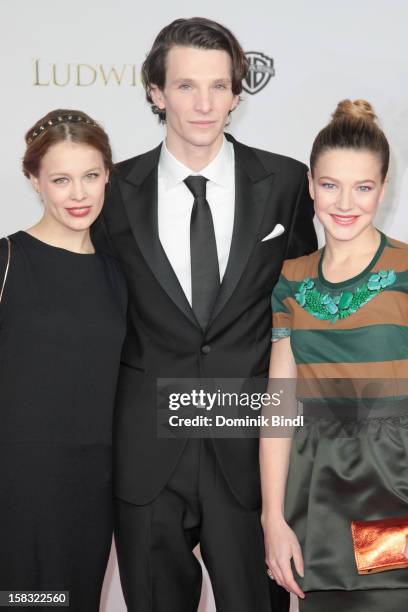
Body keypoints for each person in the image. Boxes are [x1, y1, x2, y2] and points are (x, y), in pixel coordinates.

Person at [92, 17, 316, 612]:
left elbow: (303, 320)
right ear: (155, 93)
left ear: (238, 94)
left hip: (249, 455)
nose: (204, 103)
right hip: (145, 455)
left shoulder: (287, 183)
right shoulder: (112, 192)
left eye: (219, 86)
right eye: (187, 86)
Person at [261, 99, 408, 611]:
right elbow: (278, 410)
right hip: (316, 498)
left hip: (394, 491)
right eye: (330, 185)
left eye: (363, 187)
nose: (345, 202)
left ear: (383, 189)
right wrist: (272, 518)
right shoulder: (292, 280)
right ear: (310, 186)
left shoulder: (407, 271)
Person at [0, 110, 127, 611]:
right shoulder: (7, 262)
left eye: (91, 176)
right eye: (61, 179)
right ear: (33, 180)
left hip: (92, 488)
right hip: (17, 485)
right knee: (28, 604)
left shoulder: (120, 275)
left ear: (107, 176)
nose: (79, 194)